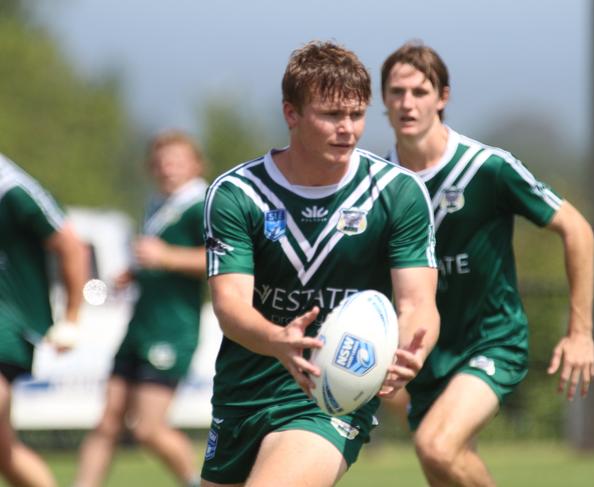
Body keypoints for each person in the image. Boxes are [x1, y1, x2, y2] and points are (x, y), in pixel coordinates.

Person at [201, 40, 440, 487]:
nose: (347, 128)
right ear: (291, 114)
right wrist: (278, 340)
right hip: (244, 391)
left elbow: (418, 302)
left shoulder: (398, 193)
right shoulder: (238, 193)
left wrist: (410, 350)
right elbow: (230, 306)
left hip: (332, 394)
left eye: (357, 114)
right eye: (331, 115)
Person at [380, 41, 594, 487]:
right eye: (396, 92)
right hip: (422, 355)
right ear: (383, 100)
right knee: (443, 466)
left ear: (443, 97)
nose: (407, 103)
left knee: (436, 446)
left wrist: (580, 333)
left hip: (491, 341)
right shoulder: (379, 181)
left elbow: (577, 229)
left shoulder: (486, 168)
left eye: (420, 92)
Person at [74, 131, 208, 487]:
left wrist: (168, 257)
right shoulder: (157, 205)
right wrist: (133, 272)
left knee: (148, 428)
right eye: (161, 161)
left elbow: (223, 259)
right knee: (108, 420)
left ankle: (197, 481)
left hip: (173, 329)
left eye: (177, 161)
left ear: (196, 165)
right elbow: (155, 259)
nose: (168, 168)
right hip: (140, 326)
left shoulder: (202, 205)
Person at [0, 153, 88, 487]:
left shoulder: (12, 187)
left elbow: (71, 245)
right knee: (4, 451)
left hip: (7, 323)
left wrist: (72, 318)